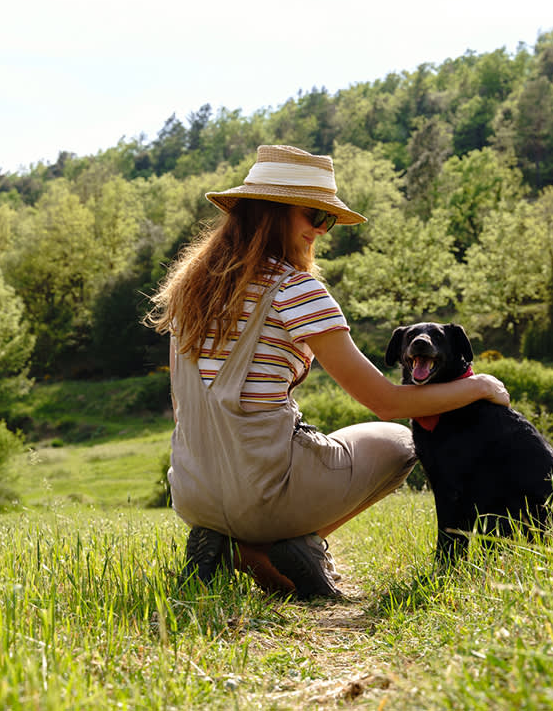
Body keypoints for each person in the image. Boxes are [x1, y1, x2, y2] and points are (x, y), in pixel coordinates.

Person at [146, 145, 511, 599]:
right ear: (272, 213)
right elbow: (387, 401)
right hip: (260, 495)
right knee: (400, 442)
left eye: (328, 219)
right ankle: (276, 549)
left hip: (192, 493)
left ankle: (227, 545)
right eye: (312, 215)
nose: (321, 230)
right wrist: (479, 387)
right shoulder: (296, 289)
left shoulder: (187, 293)